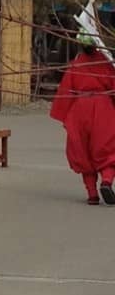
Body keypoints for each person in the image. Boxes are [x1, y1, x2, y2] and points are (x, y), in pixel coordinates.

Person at [49, 32, 115, 205]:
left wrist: (67, 116)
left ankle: (92, 194)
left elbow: (66, 91)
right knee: (108, 149)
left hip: (80, 109)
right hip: (103, 108)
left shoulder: (76, 64)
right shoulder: (106, 63)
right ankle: (107, 181)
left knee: (83, 152)